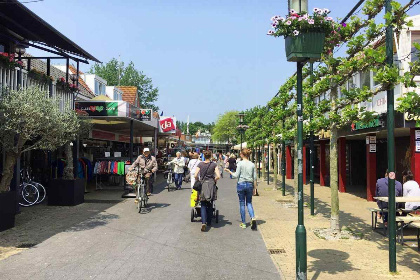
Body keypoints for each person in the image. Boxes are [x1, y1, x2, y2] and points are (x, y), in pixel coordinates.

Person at [225, 148, 257, 230]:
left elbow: (236, 175)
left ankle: (243, 223)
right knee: (249, 202)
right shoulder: (252, 164)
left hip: (241, 184)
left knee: (242, 203)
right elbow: (255, 178)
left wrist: (229, 171)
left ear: (242, 155)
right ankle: (253, 217)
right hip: (250, 184)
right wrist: (255, 188)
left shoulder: (240, 164)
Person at [195, 150, 221, 232]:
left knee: (202, 203)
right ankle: (209, 221)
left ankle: (203, 222)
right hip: (211, 184)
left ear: (203, 155)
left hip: (203, 184)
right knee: (210, 202)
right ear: (211, 156)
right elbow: (218, 176)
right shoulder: (213, 164)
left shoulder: (200, 164)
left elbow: (195, 175)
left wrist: (198, 180)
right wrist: (214, 180)